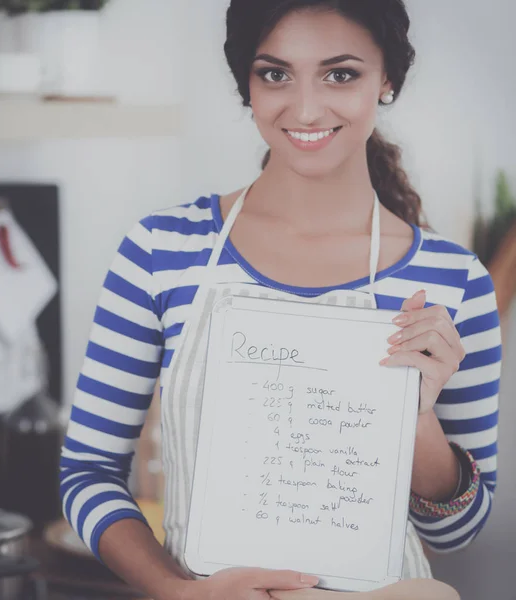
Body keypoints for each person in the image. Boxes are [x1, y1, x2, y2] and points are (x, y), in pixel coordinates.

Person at [59, 1, 502, 598]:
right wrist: (177, 591)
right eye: (275, 74)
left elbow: (458, 532)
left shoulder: (455, 280)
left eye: (340, 74)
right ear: (247, 82)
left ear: (388, 78)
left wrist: (416, 415)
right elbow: (87, 472)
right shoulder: (161, 250)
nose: (307, 106)